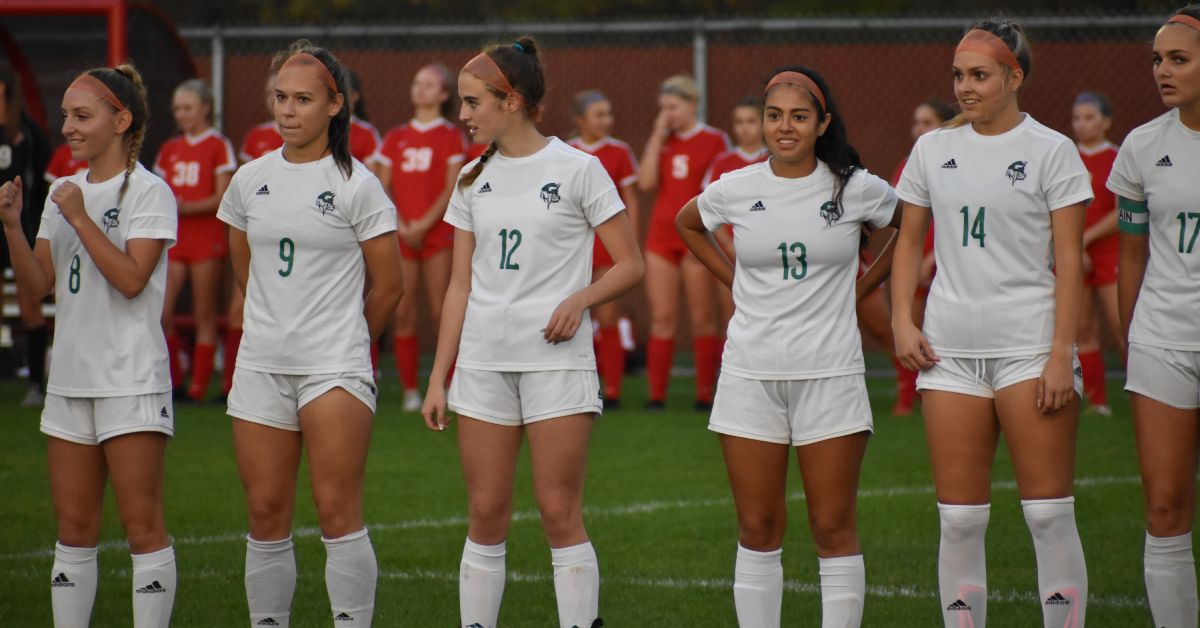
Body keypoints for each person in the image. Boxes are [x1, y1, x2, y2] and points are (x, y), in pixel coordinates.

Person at [421, 37, 643, 628]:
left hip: (556, 362)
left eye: (471, 103)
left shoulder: (579, 169)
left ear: (511, 100)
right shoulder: (471, 177)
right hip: (484, 364)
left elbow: (631, 264)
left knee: (557, 511)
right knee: (486, 511)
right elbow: (459, 287)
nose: (462, 115)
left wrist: (580, 298)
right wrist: (439, 376)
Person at [677, 66, 901, 628]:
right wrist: (733, 279)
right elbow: (688, 223)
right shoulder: (738, 185)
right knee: (757, 527)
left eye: (799, 116)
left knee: (832, 526)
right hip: (750, 374)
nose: (784, 127)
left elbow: (912, 224)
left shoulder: (854, 185)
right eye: (774, 116)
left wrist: (862, 287)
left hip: (830, 374)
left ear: (822, 123)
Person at [891, 18, 1093, 627]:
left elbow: (1072, 262)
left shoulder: (1051, 149)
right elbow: (907, 245)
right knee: (958, 519)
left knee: (1049, 514)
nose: (965, 87)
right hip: (949, 353)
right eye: (958, 75)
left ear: (1015, 77)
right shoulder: (932, 148)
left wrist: (1063, 352)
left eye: (979, 75)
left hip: (1030, 349)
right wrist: (902, 319)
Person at [217, 39, 403, 627]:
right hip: (262, 364)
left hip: (334, 369)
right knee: (266, 509)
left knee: (335, 509)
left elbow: (390, 285)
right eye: (280, 98)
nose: (288, 110)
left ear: (335, 106)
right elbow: (244, 270)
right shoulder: (249, 180)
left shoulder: (357, 184)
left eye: (302, 99)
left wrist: (345, 342)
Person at [2, 63, 178, 627]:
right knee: (73, 530)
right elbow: (36, 291)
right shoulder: (61, 195)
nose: (69, 128)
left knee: (142, 527)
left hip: (130, 380)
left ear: (121, 120)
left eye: (82, 116)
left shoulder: (150, 192)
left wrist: (79, 217)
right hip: (70, 380)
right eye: (65, 117)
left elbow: (131, 280)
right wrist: (11, 227)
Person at [1109, 7, 1200, 627]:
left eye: (1179, 59)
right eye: (1157, 59)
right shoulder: (1143, 145)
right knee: (1166, 508)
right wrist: (1131, 341)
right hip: (1164, 340)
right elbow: (1131, 254)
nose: (1162, 71)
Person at [374, 63, 467, 412]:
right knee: (404, 313)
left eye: (430, 84)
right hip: (402, 234)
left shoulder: (449, 136)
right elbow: (380, 186)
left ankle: (449, 385)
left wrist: (423, 225)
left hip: (437, 234)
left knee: (443, 310)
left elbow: (451, 185)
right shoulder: (395, 137)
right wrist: (401, 225)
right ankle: (411, 391)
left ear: (444, 94)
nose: (421, 89)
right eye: (417, 83)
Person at [638, 74, 729, 410]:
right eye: (663, 108)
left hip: (696, 237)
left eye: (673, 107)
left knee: (702, 317)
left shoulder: (715, 139)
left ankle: (705, 394)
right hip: (660, 238)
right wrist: (657, 134)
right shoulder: (663, 139)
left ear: (692, 104)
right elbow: (646, 182)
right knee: (662, 317)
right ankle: (656, 395)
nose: (668, 114)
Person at [154, 79, 237, 402]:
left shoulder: (218, 145)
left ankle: (200, 387)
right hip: (176, 238)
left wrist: (185, 206)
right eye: (177, 108)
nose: (182, 114)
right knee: (162, 312)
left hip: (207, 237)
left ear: (205, 108)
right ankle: (175, 382)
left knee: (204, 313)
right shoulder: (170, 148)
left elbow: (223, 196)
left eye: (188, 107)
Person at [567, 89, 640, 408]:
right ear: (580, 119)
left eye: (609, 114)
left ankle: (611, 390)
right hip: (575, 247)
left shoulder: (620, 151)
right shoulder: (567, 152)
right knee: (573, 315)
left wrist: (629, 241)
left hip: (607, 245)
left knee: (609, 316)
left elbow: (631, 201)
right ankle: (573, 384)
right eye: (599, 114)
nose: (606, 121)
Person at [888, 100, 956, 415]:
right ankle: (907, 399)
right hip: (917, 260)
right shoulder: (908, 164)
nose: (919, 129)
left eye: (927, 122)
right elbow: (901, 224)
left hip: (946, 260)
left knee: (945, 332)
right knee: (909, 325)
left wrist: (933, 258)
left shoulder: (958, 162)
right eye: (917, 122)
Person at [225, 71, 285, 400]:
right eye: (275, 95)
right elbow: (240, 207)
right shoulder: (256, 141)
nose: (282, 105)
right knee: (242, 306)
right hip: (260, 243)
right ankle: (232, 380)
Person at [0, 64, 52, 407]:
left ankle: (36, 383)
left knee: (29, 302)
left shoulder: (28, 134)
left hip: (22, 227)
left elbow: (40, 187)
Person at [1071, 91, 1122, 416]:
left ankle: (1149, 394)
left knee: (1122, 324)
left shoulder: (1117, 156)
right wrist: (1074, 247)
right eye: (1077, 117)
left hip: (1109, 252)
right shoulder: (1066, 156)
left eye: (1090, 117)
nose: (1082, 124)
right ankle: (1097, 401)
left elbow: (1121, 213)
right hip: (1073, 253)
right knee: (1082, 329)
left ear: (1106, 122)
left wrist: (1086, 239)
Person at [703, 95, 767, 325]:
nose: (744, 128)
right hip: (732, 256)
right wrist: (728, 246)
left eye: (751, 121)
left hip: (769, 253)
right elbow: (711, 212)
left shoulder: (776, 159)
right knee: (734, 318)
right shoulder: (722, 162)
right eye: (739, 122)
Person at [346, 69, 382, 165]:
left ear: (355, 96)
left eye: (344, 92)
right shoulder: (321, 129)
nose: (338, 97)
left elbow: (373, 172)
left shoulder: (367, 132)